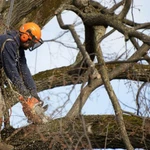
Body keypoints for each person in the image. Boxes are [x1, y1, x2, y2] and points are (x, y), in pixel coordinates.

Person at [0, 22, 45, 121]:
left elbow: (23, 69)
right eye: (31, 42)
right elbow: (11, 71)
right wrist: (24, 93)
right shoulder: (9, 43)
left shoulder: (18, 48)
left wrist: (33, 93)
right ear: (25, 36)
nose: (30, 46)